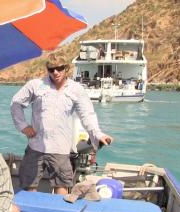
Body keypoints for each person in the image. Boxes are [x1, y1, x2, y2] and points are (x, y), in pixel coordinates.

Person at [10, 58, 113, 195]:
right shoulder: (35, 85)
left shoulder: (77, 89)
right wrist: (23, 126)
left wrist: (98, 134)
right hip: (36, 146)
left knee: (62, 185)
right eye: (51, 69)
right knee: (28, 185)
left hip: (61, 148)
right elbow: (16, 103)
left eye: (59, 68)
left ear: (66, 68)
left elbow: (87, 115)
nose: (56, 72)